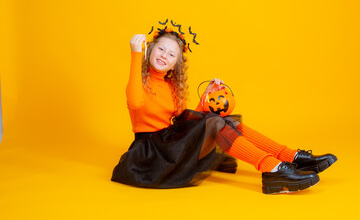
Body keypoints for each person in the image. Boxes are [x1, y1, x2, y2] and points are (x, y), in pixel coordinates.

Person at [111, 22, 337, 194]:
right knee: (216, 122)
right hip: (151, 152)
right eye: (161, 50)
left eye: (171, 55)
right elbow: (135, 103)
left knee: (224, 120)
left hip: (170, 143)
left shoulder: (170, 86)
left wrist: (206, 98)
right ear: (150, 50)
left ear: (175, 64)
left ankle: (290, 157)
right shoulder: (138, 82)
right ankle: (273, 168)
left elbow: (184, 122)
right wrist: (135, 54)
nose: (164, 56)